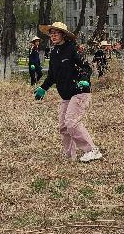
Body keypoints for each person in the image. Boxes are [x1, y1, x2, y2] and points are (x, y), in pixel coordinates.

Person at [34, 21, 102, 163]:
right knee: (63, 127)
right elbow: (52, 75)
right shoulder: (54, 53)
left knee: (71, 122)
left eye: (56, 33)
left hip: (80, 92)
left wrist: (84, 79)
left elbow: (86, 67)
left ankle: (92, 150)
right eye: (51, 33)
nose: (53, 36)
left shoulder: (73, 49)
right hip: (66, 95)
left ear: (63, 35)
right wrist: (43, 88)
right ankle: (69, 155)